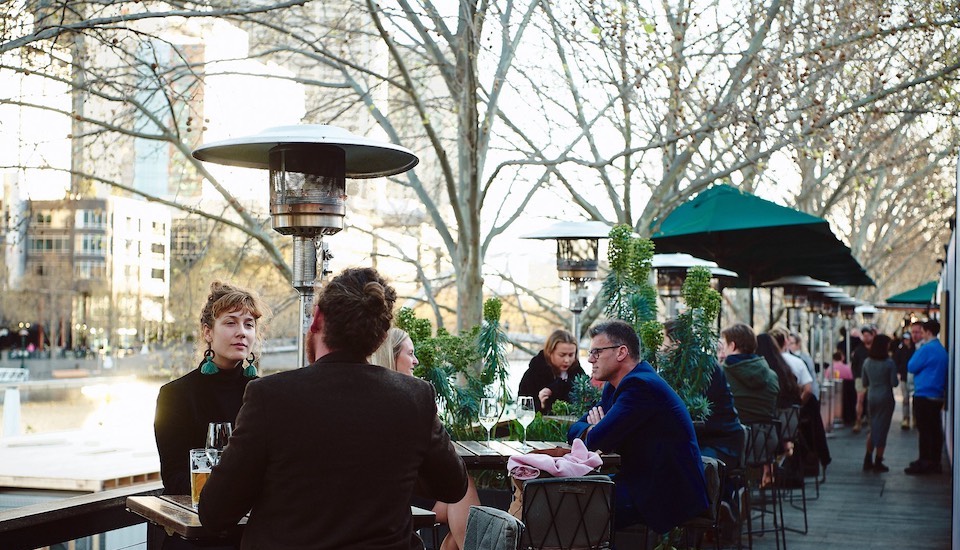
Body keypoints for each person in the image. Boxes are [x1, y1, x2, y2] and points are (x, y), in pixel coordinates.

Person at [199, 267, 469, 549]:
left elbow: (215, 513)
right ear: (380, 336)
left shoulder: (270, 396)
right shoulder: (414, 397)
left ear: (317, 319)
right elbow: (453, 486)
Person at [153, 281, 269, 550]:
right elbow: (173, 478)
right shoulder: (175, 395)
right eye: (230, 323)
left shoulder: (267, 395)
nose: (242, 332)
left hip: (254, 534)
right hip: (198, 534)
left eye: (249, 324)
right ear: (208, 332)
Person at [568, 320, 708, 534]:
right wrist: (592, 429)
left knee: (575, 507)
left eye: (596, 352)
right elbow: (576, 431)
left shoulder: (640, 386)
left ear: (621, 352)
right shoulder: (615, 386)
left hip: (666, 494)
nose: (590, 359)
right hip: (641, 483)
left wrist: (596, 431)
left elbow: (597, 441)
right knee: (568, 497)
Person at [370, 328, 481, 550]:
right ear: (392, 357)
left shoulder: (371, 394)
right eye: (410, 354)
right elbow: (438, 456)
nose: (416, 361)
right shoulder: (411, 398)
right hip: (399, 495)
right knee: (463, 488)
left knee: (457, 513)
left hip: (379, 494)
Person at [905, 319, 948, 475]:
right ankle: (934, 461)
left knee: (924, 430)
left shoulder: (926, 348)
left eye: (922, 332)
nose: (920, 335)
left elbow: (911, 366)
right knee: (935, 429)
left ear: (928, 332)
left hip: (924, 394)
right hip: (937, 395)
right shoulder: (942, 350)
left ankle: (924, 461)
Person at [719, 323, 779, 423]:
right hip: (766, 436)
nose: (723, 352)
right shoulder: (772, 376)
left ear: (732, 346)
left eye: (724, 345)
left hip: (734, 435)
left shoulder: (721, 374)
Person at [517, 329, 586, 414]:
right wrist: (541, 405)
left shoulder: (578, 373)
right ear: (550, 352)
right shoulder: (533, 375)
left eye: (571, 355)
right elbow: (523, 410)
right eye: (562, 355)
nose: (567, 360)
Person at [861, 334, 898, 472]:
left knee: (873, 427)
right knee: (882, 429)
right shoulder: (889, 363)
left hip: (872, 396)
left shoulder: (867, 362)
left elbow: (864, 382)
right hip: (885, 397)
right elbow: (894, 383)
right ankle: (878, 460)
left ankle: (867, 457)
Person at [850, 325, 876, 433]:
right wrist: (856, 376)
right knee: (860, 399)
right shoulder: (859, 350)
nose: (866, 338)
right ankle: (858, 420)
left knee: (871, 401)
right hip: (860, 377)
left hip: (873, 378)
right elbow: (854, 364)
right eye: (864, 335)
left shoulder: (875, 350)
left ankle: (871, 422)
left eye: (867, 335)